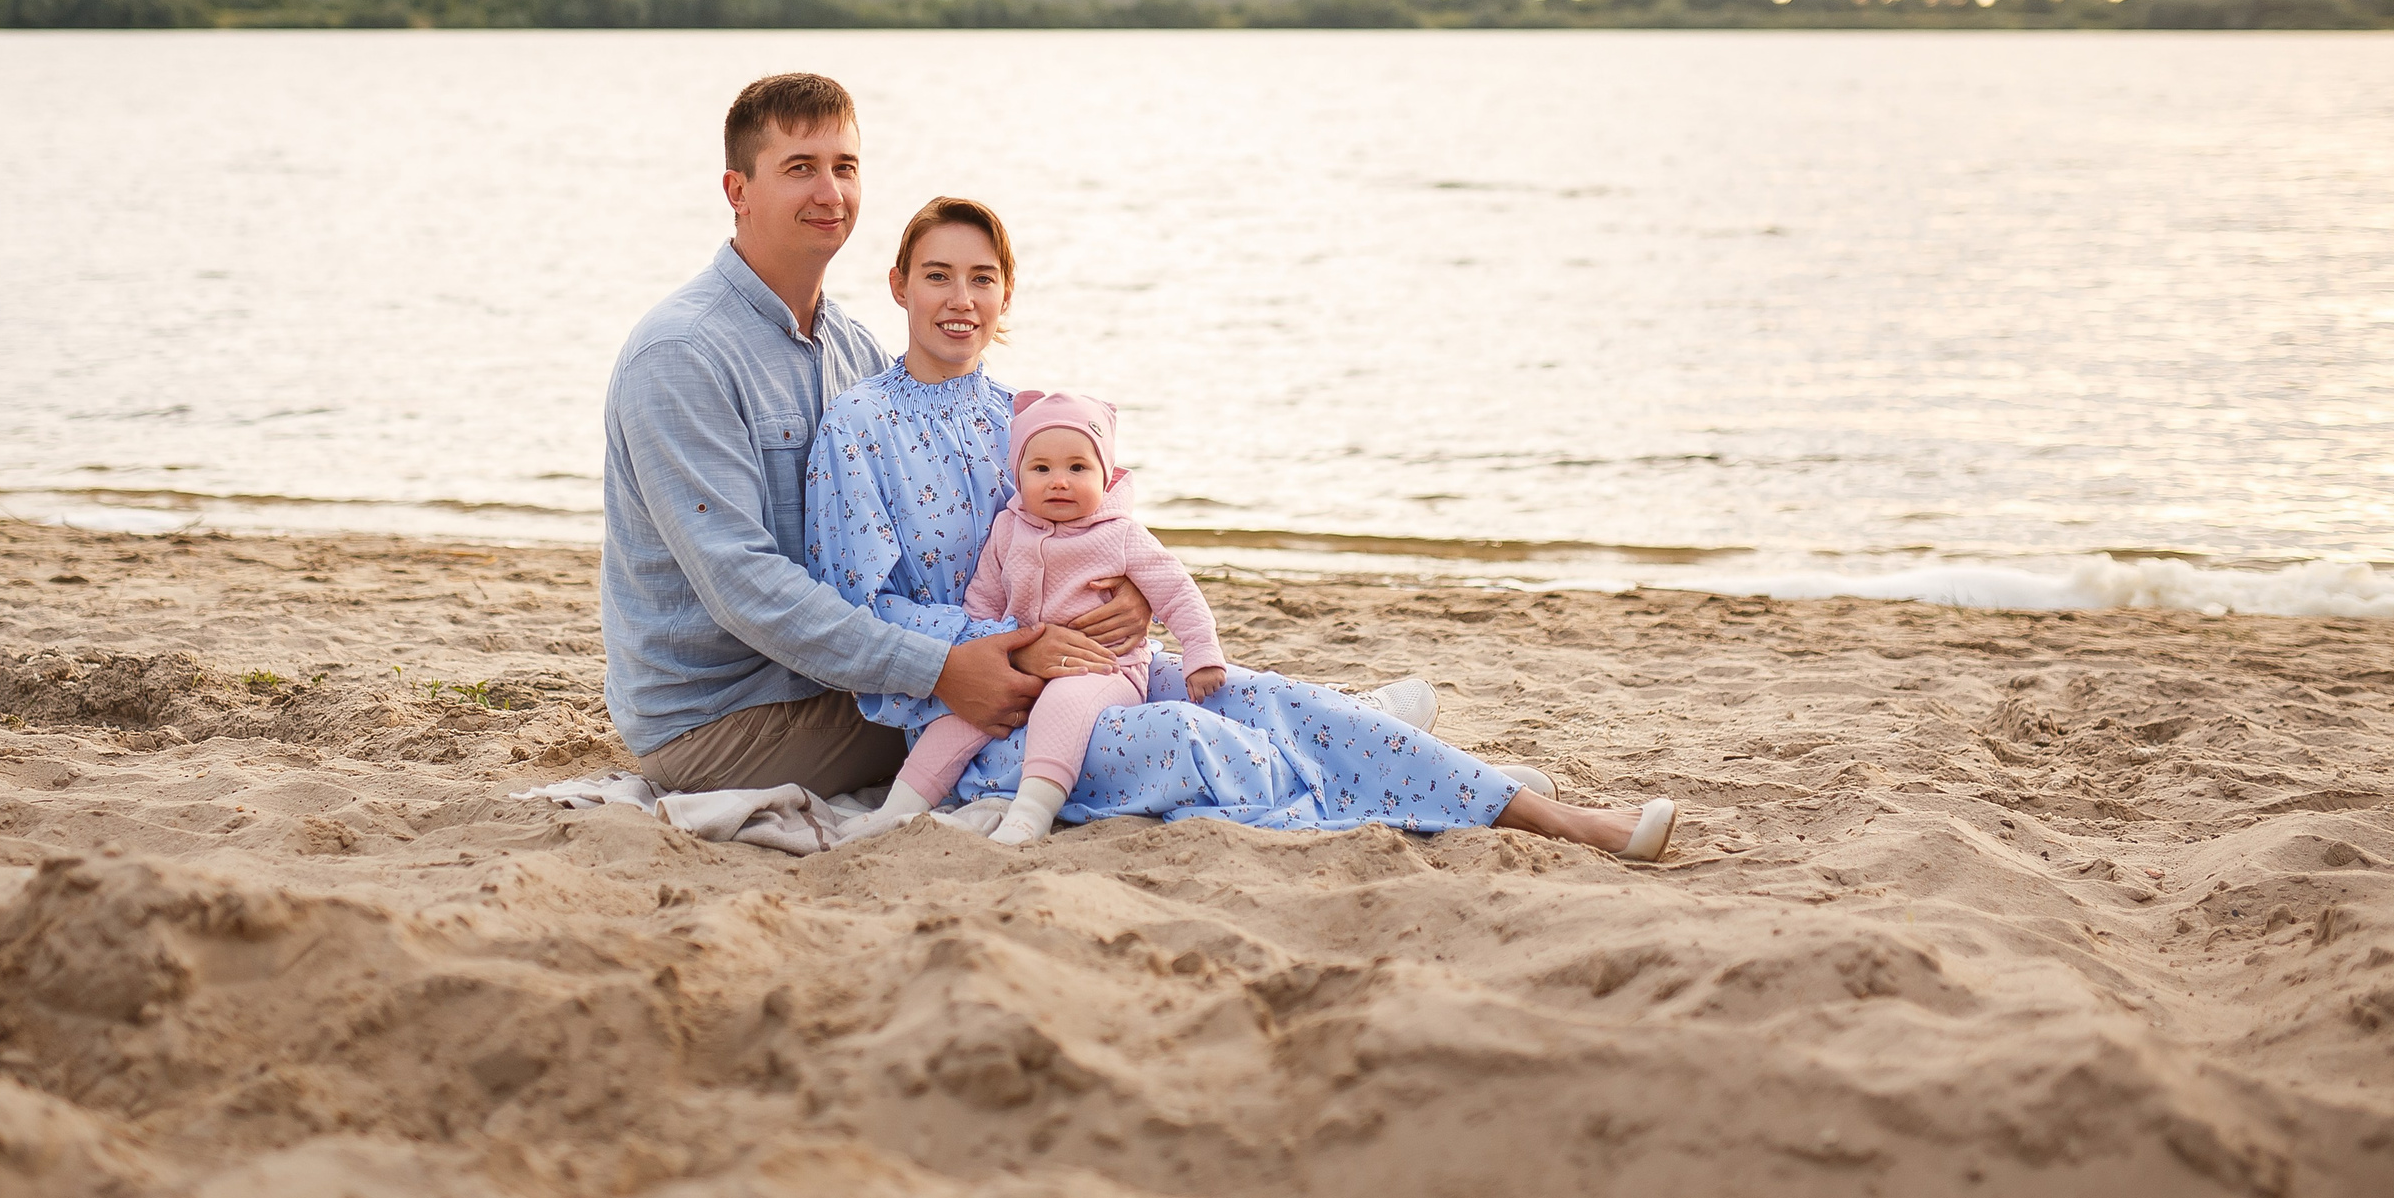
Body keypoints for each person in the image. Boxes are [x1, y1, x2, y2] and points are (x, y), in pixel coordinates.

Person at [808, 195, 1678, 858]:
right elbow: (860, 613)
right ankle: (1426, 793)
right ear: (898, 286)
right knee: (1198, 739)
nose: (961, 298)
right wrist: (1017, 642)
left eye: (982, 276)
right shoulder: (860, 426)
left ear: (1005, 293)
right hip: (985, 718)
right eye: (937, 274)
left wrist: (1129, 608)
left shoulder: (1027, 419)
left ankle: (1546, 814)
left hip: (1109, 668)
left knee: (1269, 698)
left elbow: (1109, 539)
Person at [600, 72, 1155, 797]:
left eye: (845, 167)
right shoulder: (681, 355)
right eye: (800, 168)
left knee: (1119, 685)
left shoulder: (853, 350)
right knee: (1071, 724)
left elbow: (982, 525)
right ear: (737, 190)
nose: (830, 192)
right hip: (726, 718)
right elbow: (745, 586)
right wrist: (946, 669)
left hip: (838, 678)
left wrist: (1121, 583)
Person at [877, 388, 1230, 845]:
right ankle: (896, 807)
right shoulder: (1008, 530)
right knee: (959, 717)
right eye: (1041, 469)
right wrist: (986, 654)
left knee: (1064, 703)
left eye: (1077, 468)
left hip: (1103, 666)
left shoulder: (1120, 535)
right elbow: (981, 602)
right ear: (1017, 474)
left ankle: (1031, 813)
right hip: (1028, 667)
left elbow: (1177, 592)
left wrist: (1202, 653)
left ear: (1106, 476)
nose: (1059, 481)